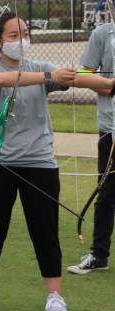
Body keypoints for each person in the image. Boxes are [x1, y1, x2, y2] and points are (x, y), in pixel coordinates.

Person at [0, 13, 104, 311]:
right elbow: (1, 80)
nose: (22, 40)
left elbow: (77, 76)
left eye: (25, 33)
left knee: (45, 232)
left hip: (40, 164)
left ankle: (54, 296)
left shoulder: (42, 68)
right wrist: (51, 78)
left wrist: (108, 83)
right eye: (13, 35)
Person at [68, 19, 115, 274]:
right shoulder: (103, 33)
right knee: (106, 194)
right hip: (111, 128)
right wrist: (108, 85)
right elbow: (82, 74)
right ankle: (99, 255)